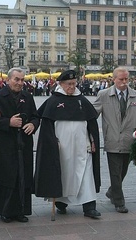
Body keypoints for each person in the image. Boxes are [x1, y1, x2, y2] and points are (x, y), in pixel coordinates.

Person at [34, 70, 101, 219]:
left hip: (82, 147)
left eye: (73, 84)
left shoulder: (81, 100)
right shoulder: (53, 101)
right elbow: (47, 126)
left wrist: (93, 140)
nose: (71, 87)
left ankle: (89, 207)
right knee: (62, 174)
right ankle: (61, 203)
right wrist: (52, 142)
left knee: (86, 175)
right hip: (62, 148)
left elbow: (92, 123)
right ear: (61, 84)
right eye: (68, 84)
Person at [0, 67, 40, 223]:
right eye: (16, 79)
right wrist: (8, 122)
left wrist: (34, 125)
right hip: (6, 145)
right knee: (7, 177)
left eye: (22, 80)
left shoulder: (28, 96)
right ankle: (5, 210)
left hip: (24, 143)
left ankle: (21, 210)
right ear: (8, 80)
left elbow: (35, 116)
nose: (20, 83)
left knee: (23, 177)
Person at [93, 67, 136, 213]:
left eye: (126, 79)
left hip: (130, 140)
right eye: (121, 79)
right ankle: (119, 202)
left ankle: (112, 191)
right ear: (114, 79)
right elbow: (93, 113)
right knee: (115, 172)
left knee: (123, 171)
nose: (124, 82)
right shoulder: (104, 95)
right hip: (112, 139)